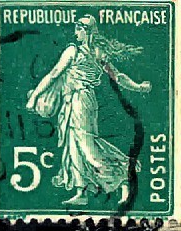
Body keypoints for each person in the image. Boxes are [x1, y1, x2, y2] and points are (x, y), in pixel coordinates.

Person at [25, 15, 152, 206]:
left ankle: (123, 177)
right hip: (73, 102)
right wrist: (139, 86)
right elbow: (118, 77)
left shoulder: (75, 51)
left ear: (86, 31)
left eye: (78, 29)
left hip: (81, 101)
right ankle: (81, 191)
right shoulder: (95, 52)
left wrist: (34, 96)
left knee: (86, 147)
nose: (75, 33)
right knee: (74, 145)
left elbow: (54, 75)